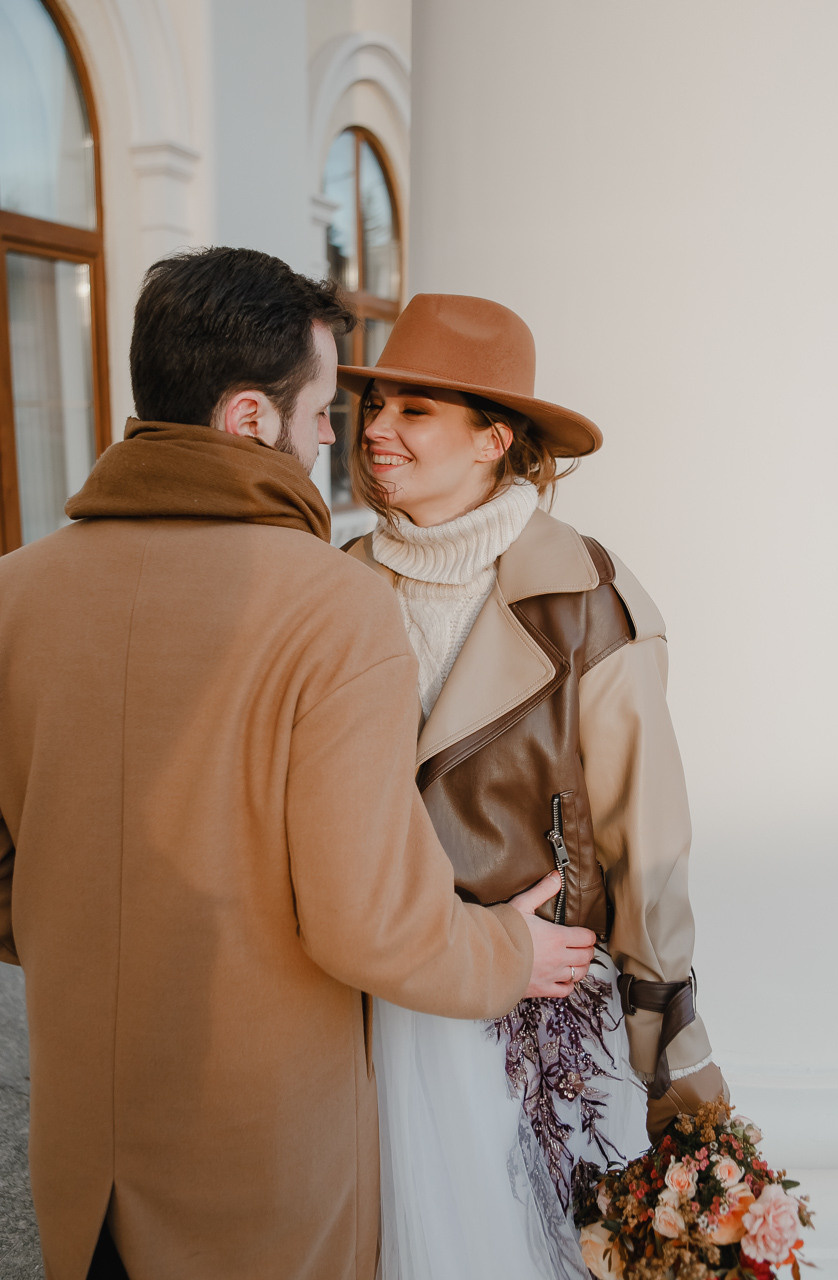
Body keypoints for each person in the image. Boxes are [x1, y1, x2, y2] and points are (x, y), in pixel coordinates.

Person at [0, 252, 581, 1280]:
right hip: (261, 1171)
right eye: (319, 413)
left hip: (83, 1158)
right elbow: (368, 921)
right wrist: (507, 954)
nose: (329, 441)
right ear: (247, 419)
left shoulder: (15, 592)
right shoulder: (331, 604)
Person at [340, 293, 729, 1280]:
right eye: (374, 404)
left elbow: (647, 833)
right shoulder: (333, 582)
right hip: (369, 998)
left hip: (540, 1003)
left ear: (493, 439)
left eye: (413, 409)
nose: (376, 428)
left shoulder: (587, 597)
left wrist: (665, 1031)